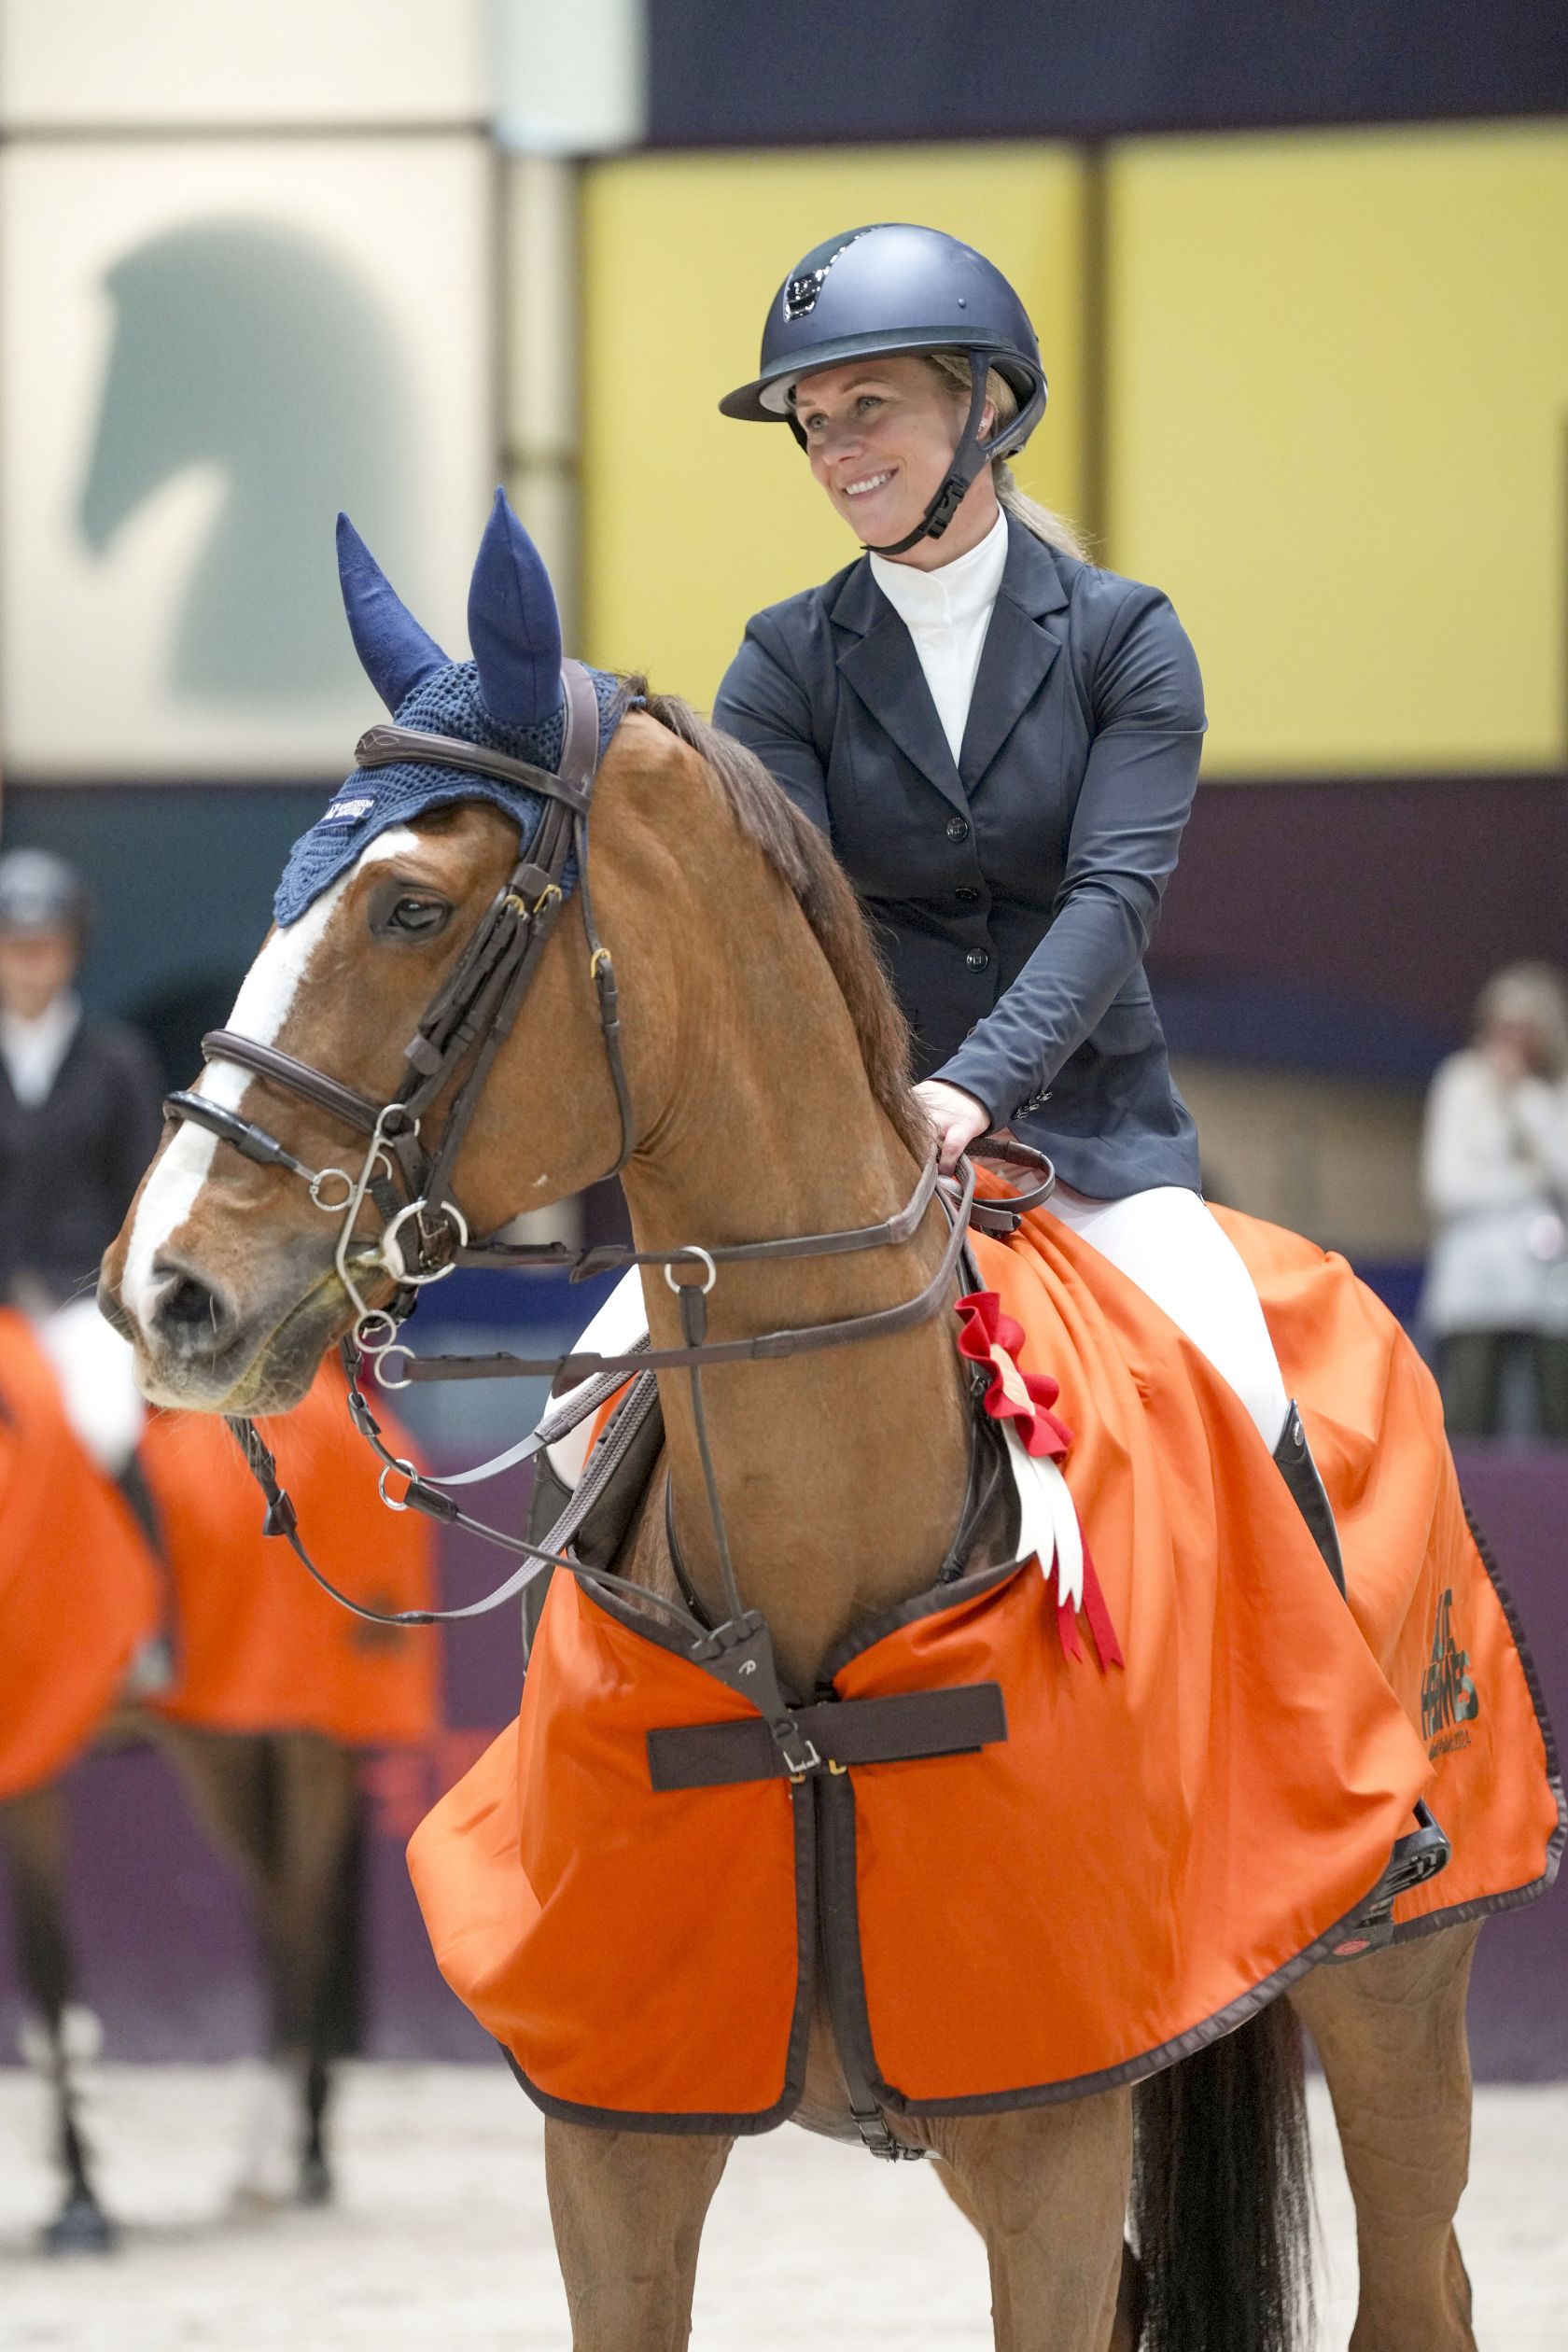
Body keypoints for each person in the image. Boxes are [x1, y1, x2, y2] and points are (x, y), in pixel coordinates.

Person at [706, 221, 1350, 1570]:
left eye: (868, 405)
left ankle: (1329, 1701)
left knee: (1249, 1393)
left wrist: (971, 1090)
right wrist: (880, 1106)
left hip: (1094, 1146)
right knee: (591, 1416)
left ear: (985, 407)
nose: (835, 449)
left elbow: (1112, 902)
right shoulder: (781, 664)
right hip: (863, 1157)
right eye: (812, 422)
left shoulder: (1125, 638)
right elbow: (793, 923)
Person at [0, 848, 167, 1636]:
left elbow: (139, 1190)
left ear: (72, 950)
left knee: (104, 1426)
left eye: (46, 945)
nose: (30, 962)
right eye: (15, 945)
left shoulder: (117, 1060)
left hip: (77, 1294)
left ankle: (142, 1622)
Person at [1420, 960, 1568, 1439]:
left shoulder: (1555, 1090)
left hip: (1550, 1287)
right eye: (1503, 1027)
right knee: (1469, 1425)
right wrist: (1530, 1181)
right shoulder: (1460, 1081)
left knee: (1558, 1423)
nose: (1512, 1040)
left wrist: (1524, 1098)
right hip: (1474, 1284)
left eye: (1525, 1029)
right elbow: (1446, 1187)